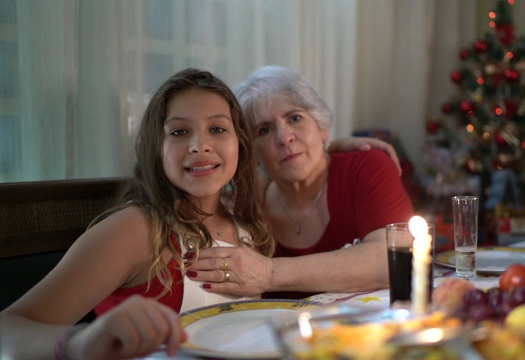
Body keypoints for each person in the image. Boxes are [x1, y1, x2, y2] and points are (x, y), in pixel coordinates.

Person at [0, 68, 274, 359]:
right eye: (179, 132)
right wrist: (78, 341)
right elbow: (8, 329)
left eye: (217, 129)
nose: (200, 146)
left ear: (239, 143)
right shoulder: (137, 229)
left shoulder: (247, 220)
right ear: (157, 149)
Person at [187, 65, 415, 299]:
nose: (284, 138)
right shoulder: (247, 205)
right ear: (251, 151)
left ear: (322, 127)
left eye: (295, 118)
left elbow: (392, 261)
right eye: (264, 130)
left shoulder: (366, 167)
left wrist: (268, 273)